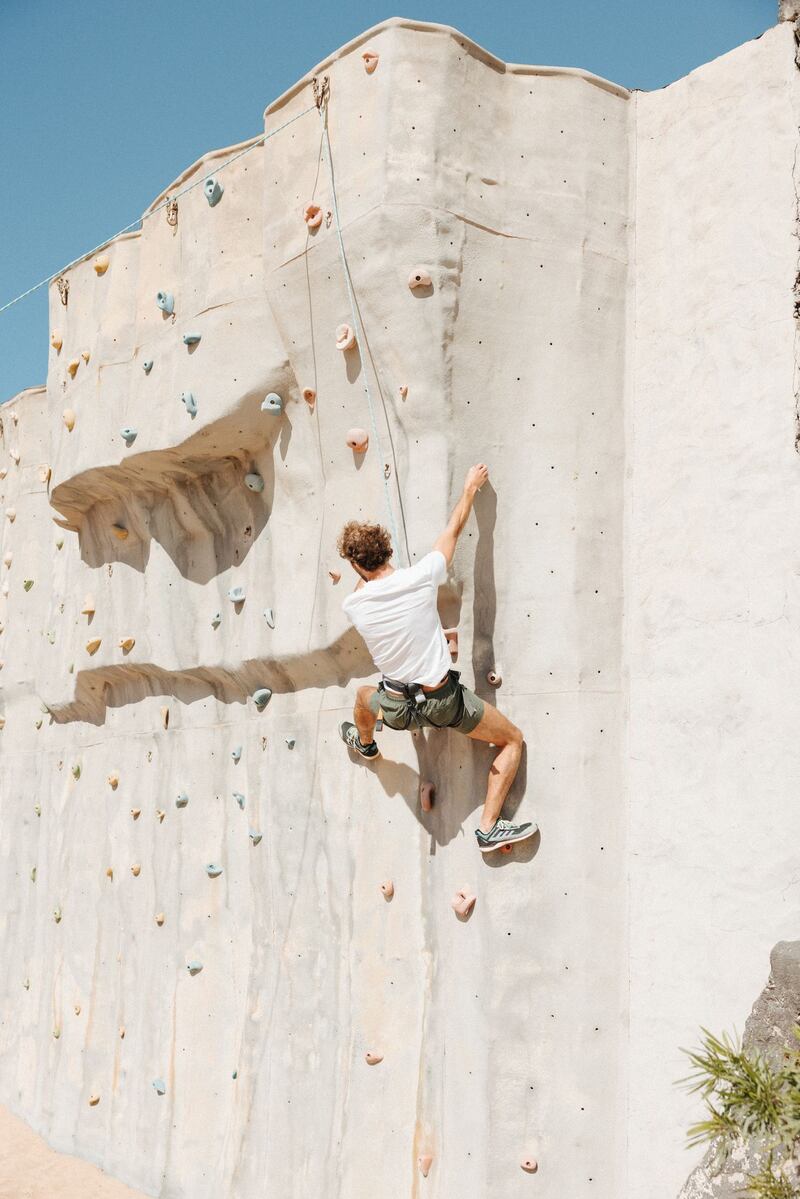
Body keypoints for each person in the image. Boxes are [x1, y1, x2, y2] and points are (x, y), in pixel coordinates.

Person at [337, 464, 537, 853]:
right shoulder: (422, 575)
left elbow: (364, 581)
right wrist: (469, 489)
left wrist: (359, 565)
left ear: (356, 567)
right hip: (444, 704)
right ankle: (489, 828)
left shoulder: (354, 606)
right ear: (389, 551)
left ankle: (365, 744)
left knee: (363, 697)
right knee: (512, 739)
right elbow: (454, 528)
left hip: (395, 708)